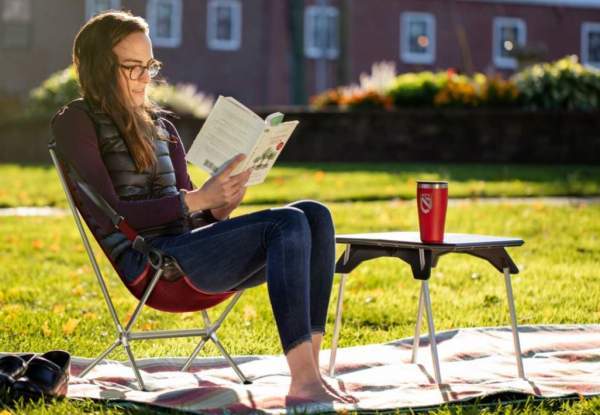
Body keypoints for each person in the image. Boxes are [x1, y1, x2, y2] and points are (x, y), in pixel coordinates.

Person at [51, 10, 355, 404]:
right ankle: (303, 383)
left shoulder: (163, 127)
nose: (146, 78)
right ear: (99, 67)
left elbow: (191, 215)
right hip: (155, 267)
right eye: (133, 68)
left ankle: (310, 371)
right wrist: (200, 199)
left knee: (315, 215)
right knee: (287, 223)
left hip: (189, 253)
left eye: (150, 66)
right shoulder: (76, 122)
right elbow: (116, 213)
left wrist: (219, 206)